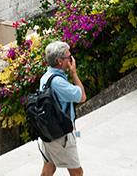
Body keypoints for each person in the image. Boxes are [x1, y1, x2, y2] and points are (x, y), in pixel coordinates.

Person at [38, 40, 87, 176]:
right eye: (69, 57)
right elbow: (82, 97)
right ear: (60, 61)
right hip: (61, 135)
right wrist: (74, 74)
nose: (71, 59)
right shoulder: (58, 82)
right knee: (77, 172)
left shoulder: (46, 77)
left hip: (48, 132)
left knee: (49, 167)